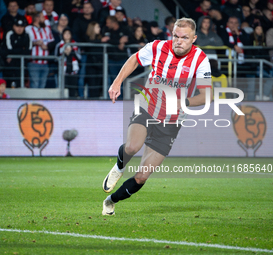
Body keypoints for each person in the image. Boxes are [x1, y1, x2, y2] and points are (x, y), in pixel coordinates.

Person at [102, 17, 213, 215]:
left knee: (142, 177)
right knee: (132, 146)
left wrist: (184, 102)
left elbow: (206, 95)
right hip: (147, 106)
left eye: (184, 38)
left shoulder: (201, 59)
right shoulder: (157, 47)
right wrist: (117, 82)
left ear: (194, 38)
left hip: (172, 119)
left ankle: (111, 200)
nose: (178, 41)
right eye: (175, 36)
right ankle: (119, 167)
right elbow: (135, 58)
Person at [25, 11, 55, 88]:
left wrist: (47, 46)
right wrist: (35, 43)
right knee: (35, 85)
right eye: (42, 17)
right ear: (37, 18)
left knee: (42, 86)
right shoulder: (28, 29)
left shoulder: (46, 29)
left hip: (45, 63)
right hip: (34, 63)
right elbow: (23, 43)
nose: (45, 19)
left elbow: (52, 42)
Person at [4, 17, 31, 88]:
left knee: (20, 85)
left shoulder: (27, 35)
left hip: (22, 66)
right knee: (10, 86)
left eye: (22, 27)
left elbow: (28, 52)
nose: (19, 29)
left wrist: (16, 50)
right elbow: (9, 50)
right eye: (17, 26)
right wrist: (22, 49)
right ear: (13, 26)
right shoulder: (10, 34)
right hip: (11, 67)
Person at [56, 29, 81, 97]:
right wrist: (65, 52)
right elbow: (56, 57)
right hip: (63, 70)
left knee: (73, 89)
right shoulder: (59, 45)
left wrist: (72, 51)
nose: (67, 35)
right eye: (65, 34)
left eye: (68, 33)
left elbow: (79, 57)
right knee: (64, 88)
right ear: (63, 35)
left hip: (73, 70)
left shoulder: (75, 44)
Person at [85, 21, 106, 97]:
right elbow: (88, 44)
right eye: (97, 27)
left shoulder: (100, 37)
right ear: (92, 28)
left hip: (100, 64)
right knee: (92, 85)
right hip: (91, 65)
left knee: (99, 85)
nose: (99, 29)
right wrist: (100, 41)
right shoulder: (87, 37)